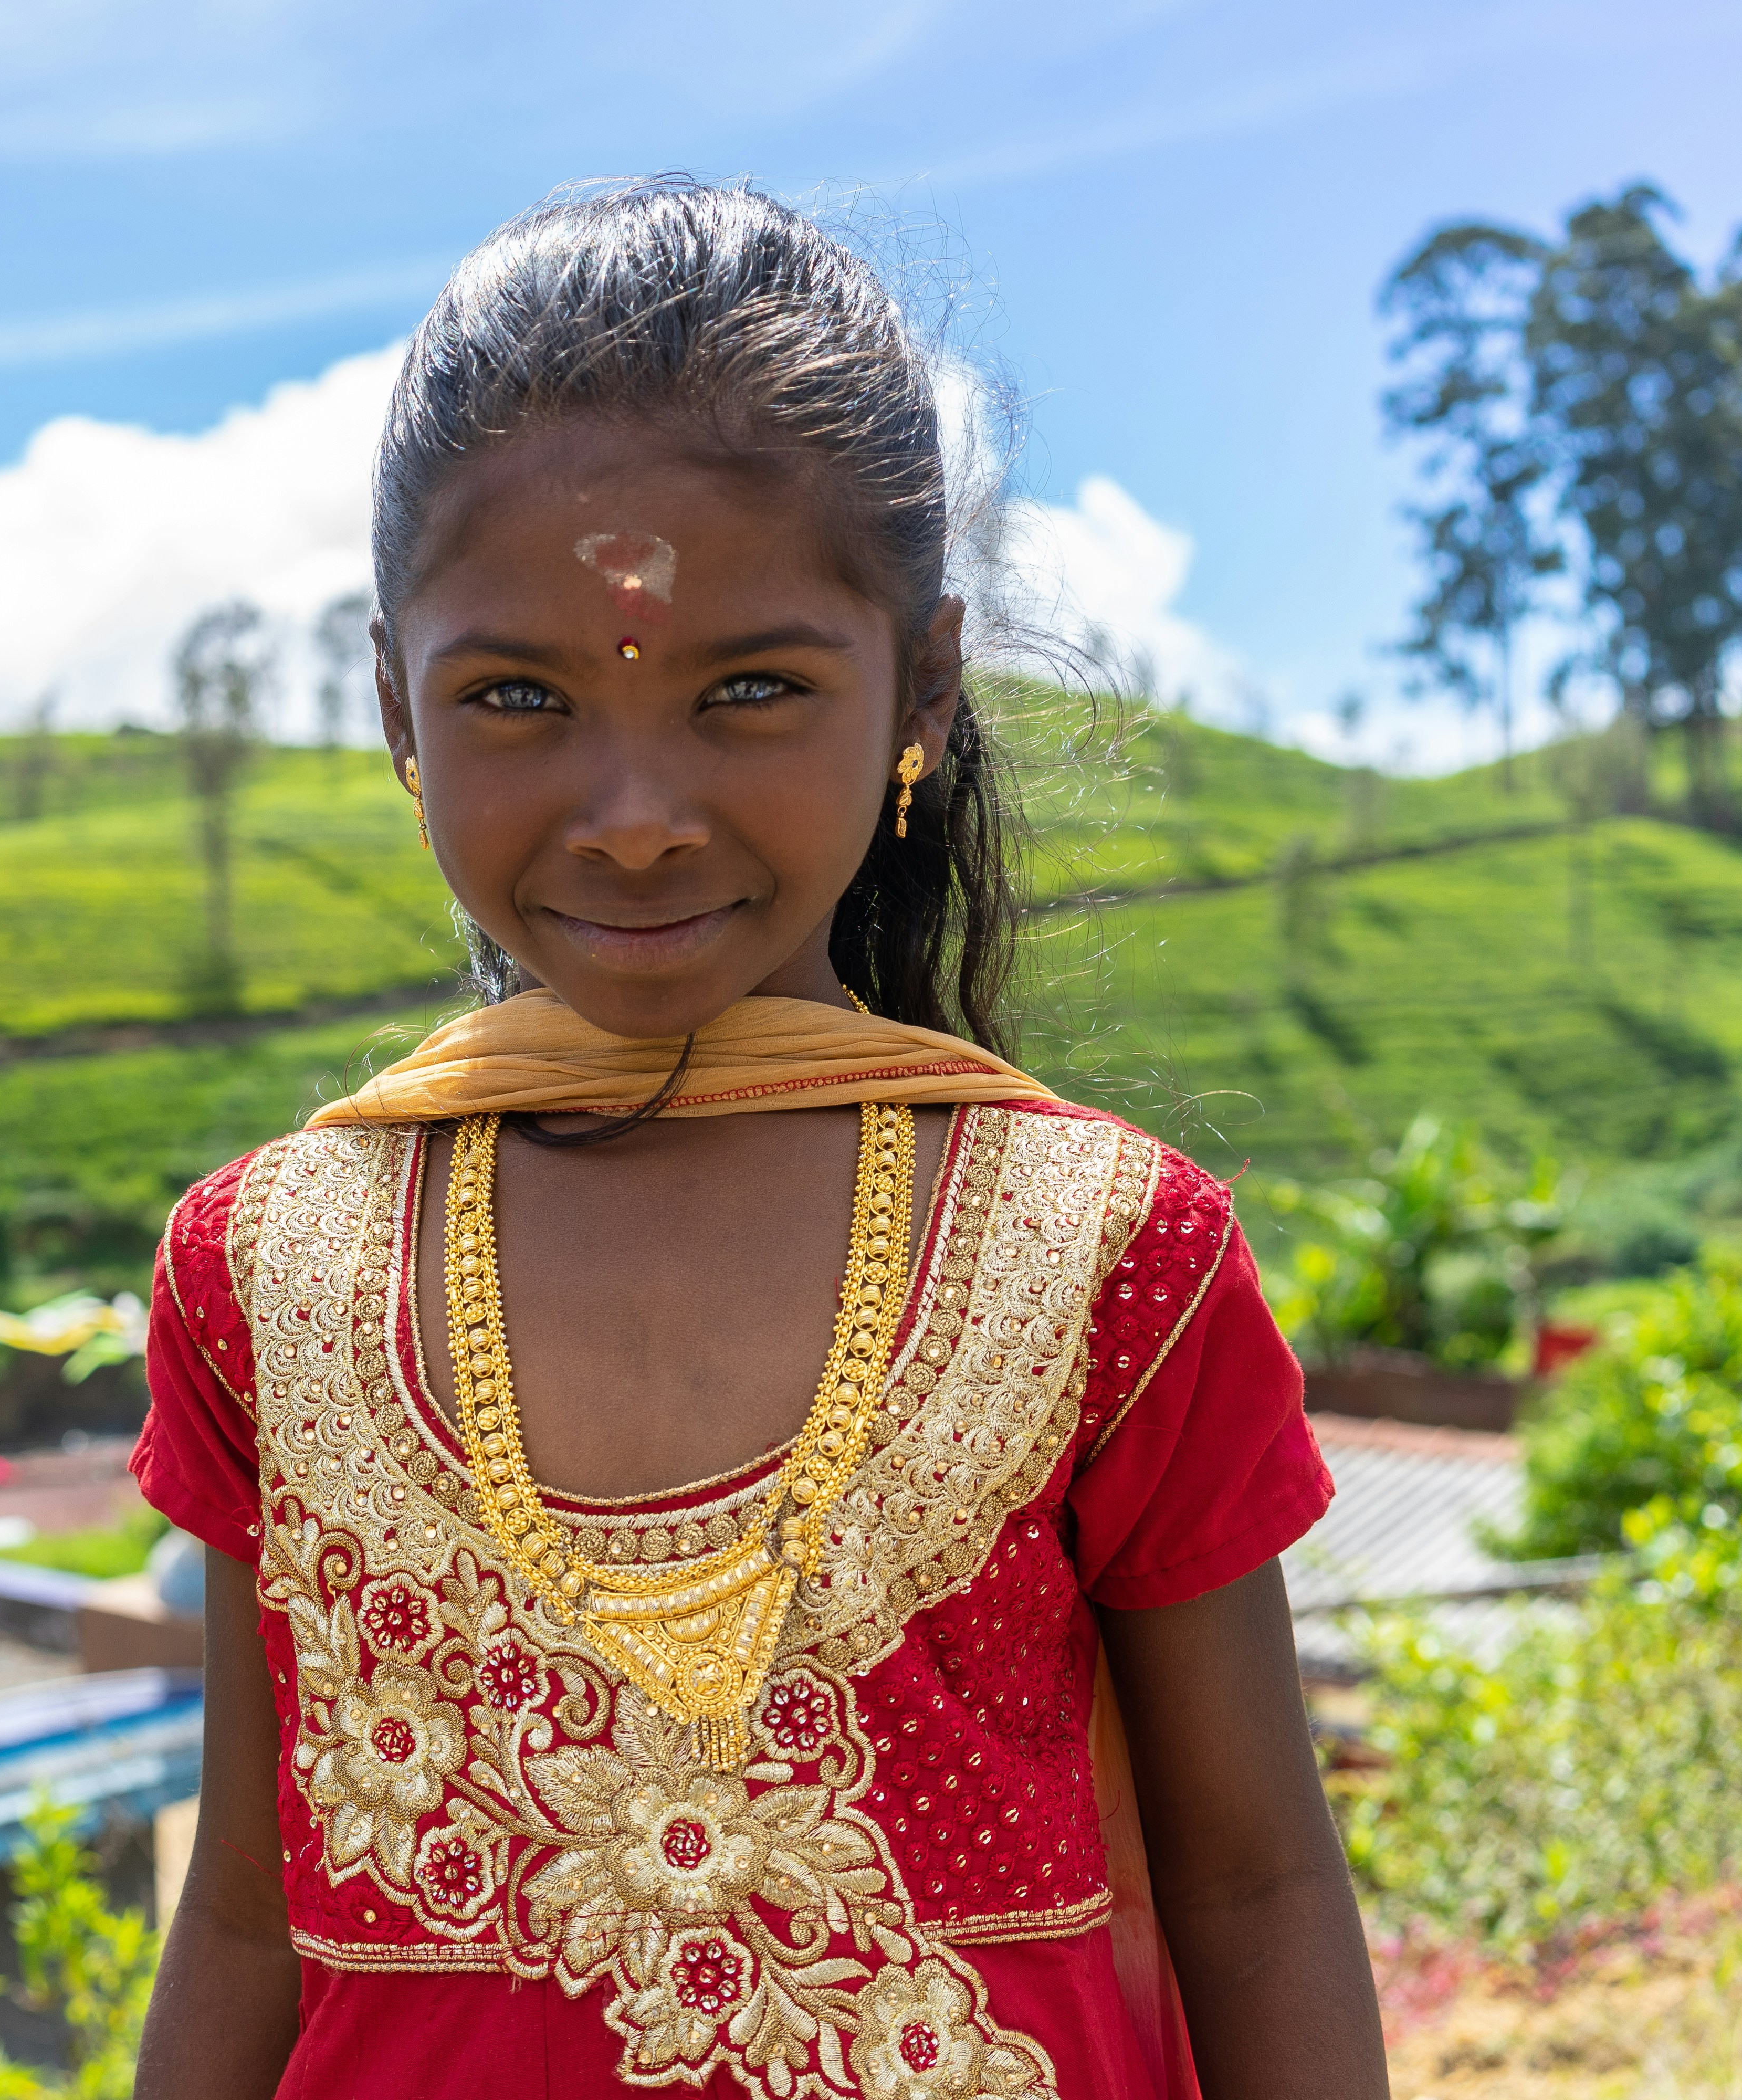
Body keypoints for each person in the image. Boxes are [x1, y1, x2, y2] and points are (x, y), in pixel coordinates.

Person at [130, 179, 1385, 2100]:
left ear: (926, 688)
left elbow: (1257, 1887)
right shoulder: (265, 1278)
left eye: (751, 691)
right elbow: (244, 1914)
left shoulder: (1104, 1260)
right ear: (398, 705)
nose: (636, 813)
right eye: (518, 697)